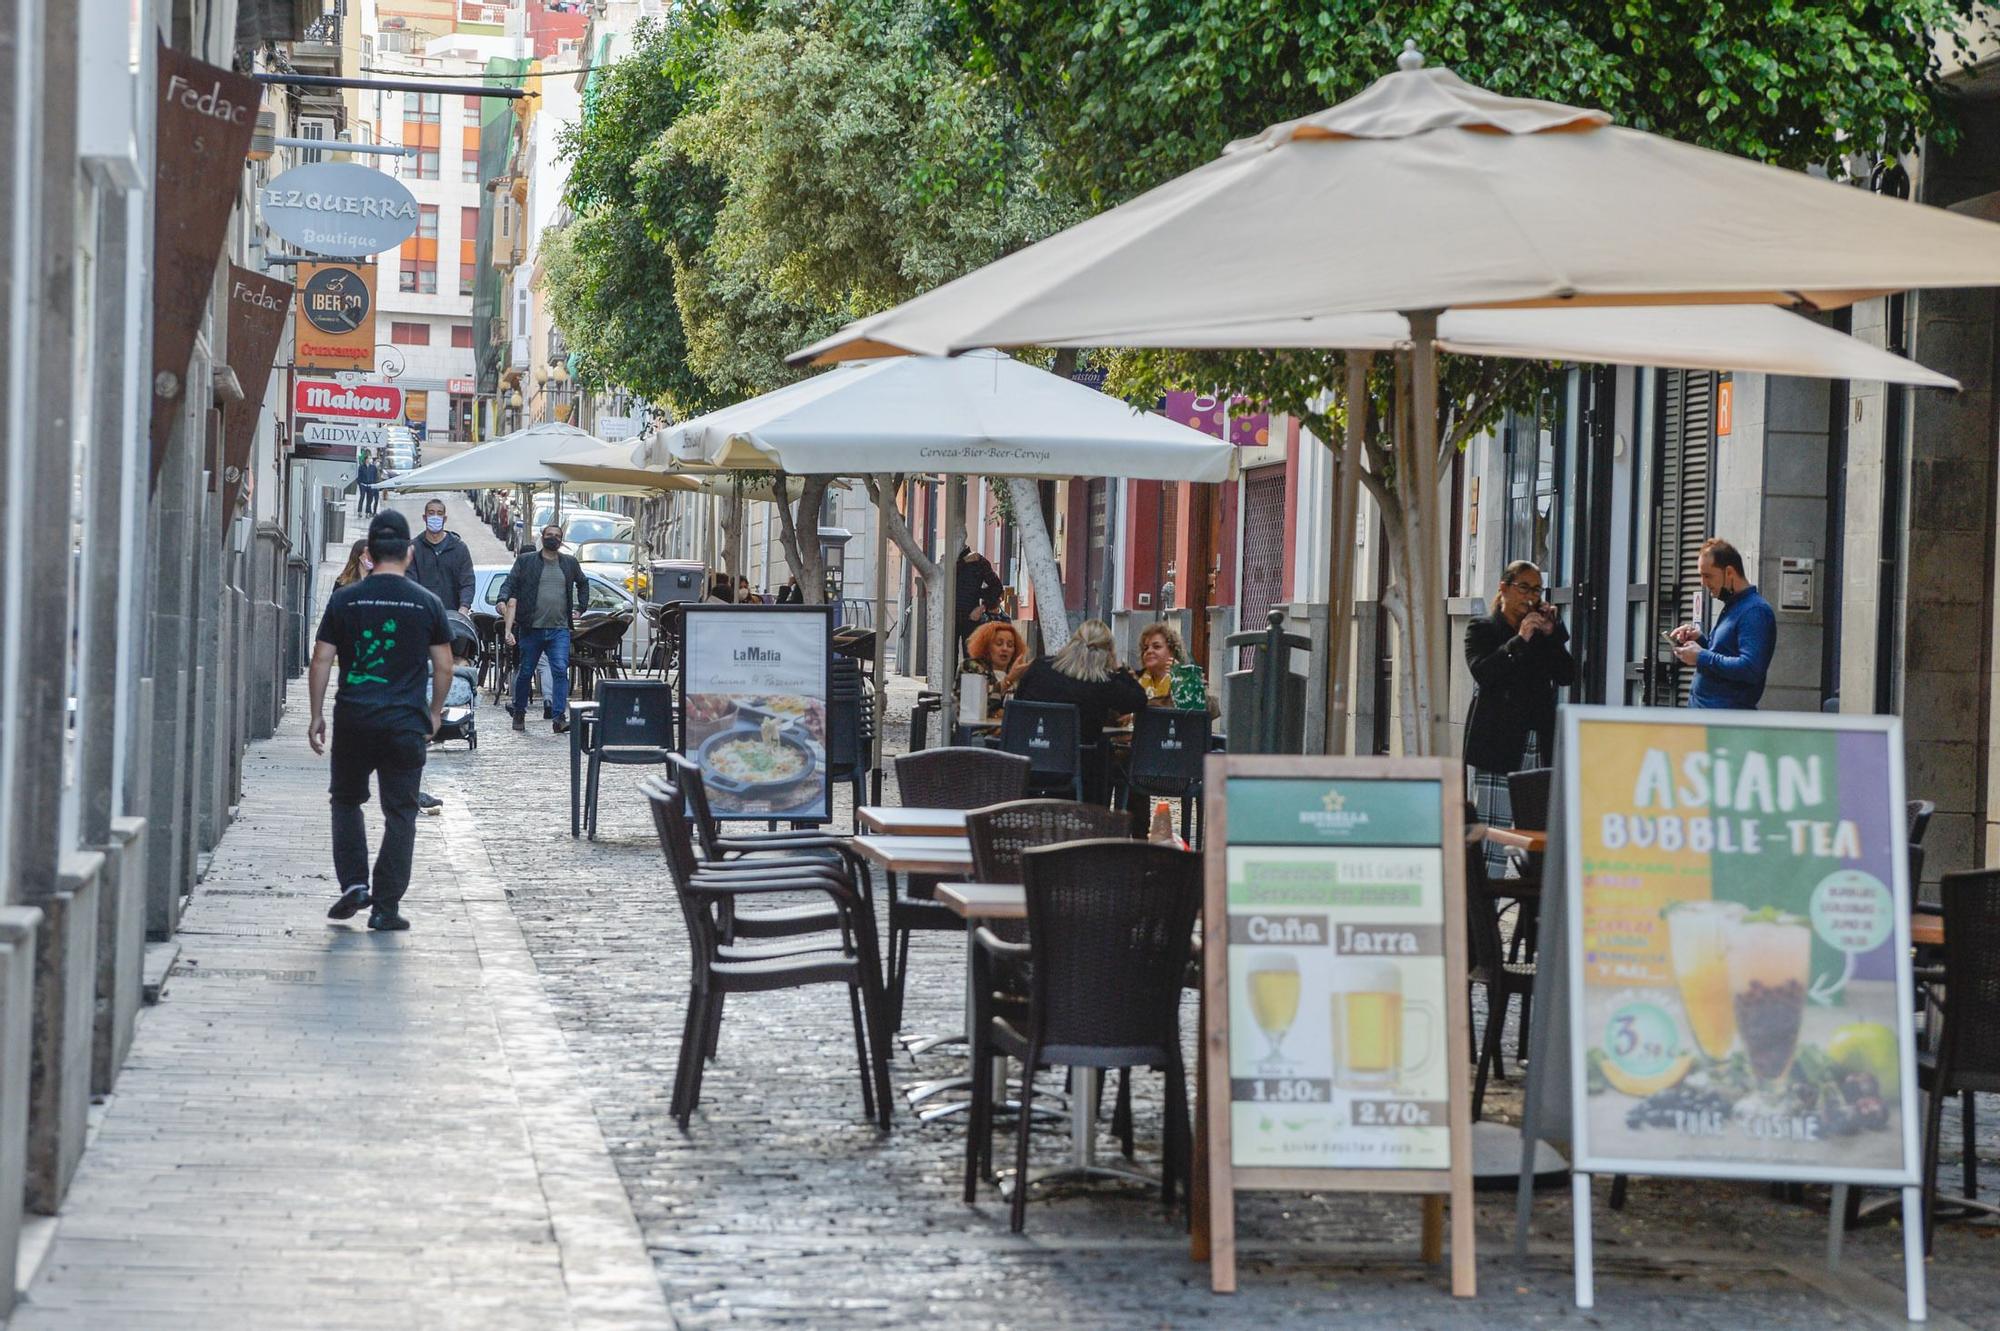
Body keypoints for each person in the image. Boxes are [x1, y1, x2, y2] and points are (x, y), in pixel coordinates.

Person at [308, 510, 452, 931]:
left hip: (354, 718)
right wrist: (435, 711)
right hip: (405, 723)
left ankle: (354, 883)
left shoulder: (344, 599)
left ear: (369, 553)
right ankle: (386, 906)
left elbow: (321, 658)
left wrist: (317, 714)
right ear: (409, 553)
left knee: (347, 800)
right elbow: (443, 666)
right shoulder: (427, 603)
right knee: (401, 812)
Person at [1464, 559, 1575, 874]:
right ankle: (1485, 912)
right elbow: (1484, 673)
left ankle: (1533, 913)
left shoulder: (1544, 632)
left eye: (1537, 589)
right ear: (1504, 588)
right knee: (1492, 836)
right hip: (1499, 744)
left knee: (1540, 835)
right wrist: (1520, 640)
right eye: (1524, 587)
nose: (1531, 596)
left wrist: (1552, 634)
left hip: (1537, 741)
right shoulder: (1482, 629)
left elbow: (1567, 675)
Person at [1011, 618, 1148, 802]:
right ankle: (1102, 819)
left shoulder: (1040, 667)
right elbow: (1139, 700)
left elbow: (1020, 702)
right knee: (1104, 751)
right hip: (1078, 769)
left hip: (1029, 759)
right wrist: (1118, 668)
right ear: (1108, 652)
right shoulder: (1103, 682)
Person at [500, 522, 590, 734]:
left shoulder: (569, 563)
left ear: (561, 540)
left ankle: (559, 717)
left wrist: (581, 607)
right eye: (549, 535)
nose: (552, 538)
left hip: (559, 629)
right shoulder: (526, 561)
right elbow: (510, 583)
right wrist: (503, 599)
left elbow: (583, 583)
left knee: (560, 670)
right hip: (532, 628)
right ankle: (519, 711)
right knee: (526, 672)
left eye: (556, 536)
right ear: (542, 537)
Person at [1671, 537, 1776, 710]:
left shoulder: (1755, 611)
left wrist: (1700, 656)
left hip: (1724, 724)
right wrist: (1700, 641)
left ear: (1729, 572)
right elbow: (1724, 654)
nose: (1703, 583)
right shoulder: (1735, 606)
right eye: (1701, 576)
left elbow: (1750, 668)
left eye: (1708, 576)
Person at [408, 496, 476, 616]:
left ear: (444, 518)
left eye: (439, 513)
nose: (435, 517)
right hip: (422, 615)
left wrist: (464, 607)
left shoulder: (459, 548)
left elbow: (467, 581)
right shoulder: (413, 549)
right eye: (431, 513)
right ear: (424, 517)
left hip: (452, 616)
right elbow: (409, 582)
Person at [1135, 622, 1210, 711]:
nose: (1149, 651)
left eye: (1156, 647)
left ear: (1172, 651)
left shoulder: (1187, 680)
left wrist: (1180, 677)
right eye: (1145, 648)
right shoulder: (1135, 680)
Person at [960, 620, 1027, 719]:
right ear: (986, 647)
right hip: (979, 732)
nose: (1005, 648)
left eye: (1010, 645)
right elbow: (977, 708)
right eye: (999, 644)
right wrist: (1008, 680)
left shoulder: (1019, 673)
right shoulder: (971, 666)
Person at [954, 545, 1003, 655]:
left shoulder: (979, 562)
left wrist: (982, 607)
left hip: (971, 615)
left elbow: (996, 587)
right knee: (947, 661)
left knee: (972, 658)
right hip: (949, 618)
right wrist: (963, 561)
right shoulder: (947, 562)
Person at [355, 451, 380, 516]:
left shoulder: (373, 467)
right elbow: (359, 476)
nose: (370, 460)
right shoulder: (361, 467)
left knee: (369, 499)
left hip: (370, 485)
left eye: (370, 458)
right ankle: (359, 511)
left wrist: (374, 484)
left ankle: (367, 512)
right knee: (362, 497)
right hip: (363, 484)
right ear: (366, 459)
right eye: (368, 458)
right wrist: (359, 483)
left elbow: (375, 476)